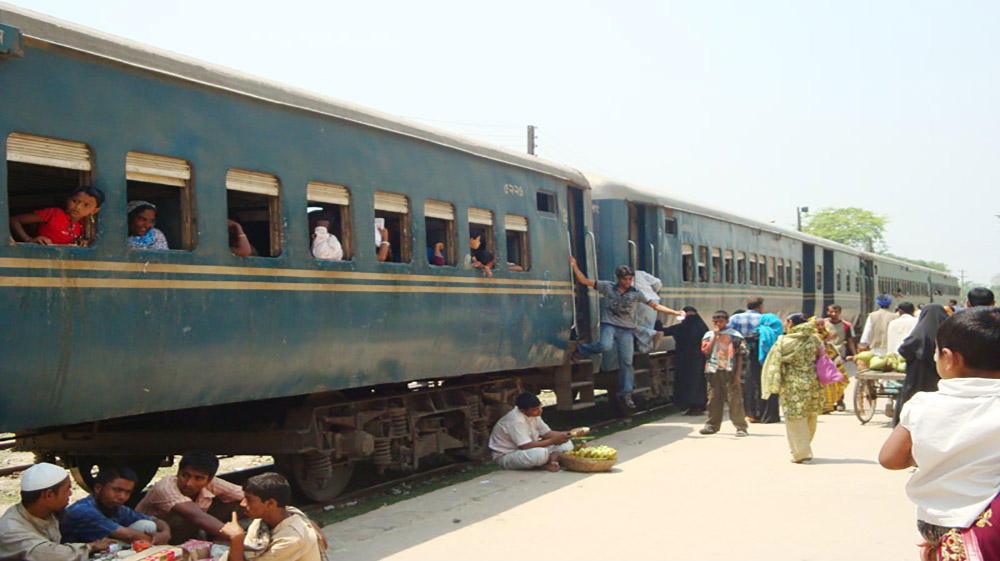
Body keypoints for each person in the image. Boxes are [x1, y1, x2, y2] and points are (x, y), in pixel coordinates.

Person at [878, 307, 1000, 558]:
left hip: (935, 524)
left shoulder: (922, 404)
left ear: (948, 357)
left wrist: (936, 450)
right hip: (990, 524)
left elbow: (890, 459)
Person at [568, 256, 684, 409]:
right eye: (625, 279)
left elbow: (655, 306)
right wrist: (574, 266)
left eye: (630, 279)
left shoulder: (636, 293)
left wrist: (675, 312)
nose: (628, 282)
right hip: (609, 325)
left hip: (626, 330)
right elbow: (584, 281)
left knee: (627, 362)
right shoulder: (607, 286)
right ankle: (580, 350)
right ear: (617, 278)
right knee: (605, 346)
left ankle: (626, 394)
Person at [0, 462, 114, 560]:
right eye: (67, 489)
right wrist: (90, 547)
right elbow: (52, 555)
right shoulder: (11, 529)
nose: (70, 494)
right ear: (49, 495)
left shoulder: (47, 513)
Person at [136, 451, 244, 545]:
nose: (189, 483)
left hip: (192, 524)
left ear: (209, 479)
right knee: (184, 519)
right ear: (178, 472)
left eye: (198, 478)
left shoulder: (211, 483)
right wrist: (236, 537)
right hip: (154, 531)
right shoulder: (165, 487)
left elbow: (244, 494)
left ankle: (211, 540)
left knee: (240, 504)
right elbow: (197, 517)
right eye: (185, 475)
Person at [761, 313, 826, 463]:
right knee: (810, 415)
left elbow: (774, 362)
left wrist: (773, 383)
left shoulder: (784, 341)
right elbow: (821, 357)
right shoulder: (815, 339)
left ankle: (800, 452)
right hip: (812, 382)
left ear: (791, 323)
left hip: (793, 384)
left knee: (794, 418)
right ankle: (805, 447)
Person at [218, 473, 325, 561]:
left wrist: (236, 538)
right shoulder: (264, 519)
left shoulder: (291, 539)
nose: (243, 504)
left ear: (270, 503)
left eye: (249, 499)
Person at [60, 465, 170, 545]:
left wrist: (165, 532)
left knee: (147, 525)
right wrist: (157, 539)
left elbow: (155, 520)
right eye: (117, 490)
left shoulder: (117, 508)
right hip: (77, 556)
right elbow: (128, 535)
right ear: (98, 488)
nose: (122, 497)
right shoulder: (83, 510)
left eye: (127, 492)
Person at [891, 304, 953, 427]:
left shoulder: (918, 333)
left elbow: (904, 350)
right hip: (940, 379)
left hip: (916, 378)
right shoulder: (949, 335)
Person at [488, 392, 573, 471]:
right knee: (540, 454)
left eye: (540, 406)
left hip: (528, 449)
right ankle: (548, 461)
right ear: (523, 410)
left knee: (567, 444)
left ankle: (552, 462)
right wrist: (552, 441)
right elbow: (525, 446)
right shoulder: (516, 420)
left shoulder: (534, 414)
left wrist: (569, 434)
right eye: (535, 409)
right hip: (508, 455)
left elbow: (546, 433)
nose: (540, 410)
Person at [699, 311, 749, 437]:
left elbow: (740, 356)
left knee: (734, 400)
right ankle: (712, 425)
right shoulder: (708, 335)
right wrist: (715, 337)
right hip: (713, 371)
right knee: (713, 399)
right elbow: (706, 351)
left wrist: (738, 375)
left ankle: (740, 427)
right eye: (715, 322)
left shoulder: (735, 335)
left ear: (727, 321)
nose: (718, 324)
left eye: (721, 321)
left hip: (730, 371)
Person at [9, 186, 104, 246]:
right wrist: (28, 239)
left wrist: (81, 241)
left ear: (94, 211)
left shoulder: (82, 224)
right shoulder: (54, 213)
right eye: (75, 201)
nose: (78, 207)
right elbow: (14, 220)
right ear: (68, 200)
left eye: (86, 205)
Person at [659, 306, 708, 415]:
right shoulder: (702, 327)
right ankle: (698, 405)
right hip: (699, 360)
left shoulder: (680, 328)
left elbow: (663, 331)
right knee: (698, 383)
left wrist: (657, 321)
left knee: (685, 382)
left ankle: (688, 404)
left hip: (683, 360)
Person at [813, 316, 849, 415]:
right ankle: (824, 406)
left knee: (838, 380)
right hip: (819, 361)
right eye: (817, 325)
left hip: (831, 359)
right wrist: (826, 338)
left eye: (822, 324)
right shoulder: (813, 335)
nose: (820, 327)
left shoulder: (826, 333)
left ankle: (836, 402)